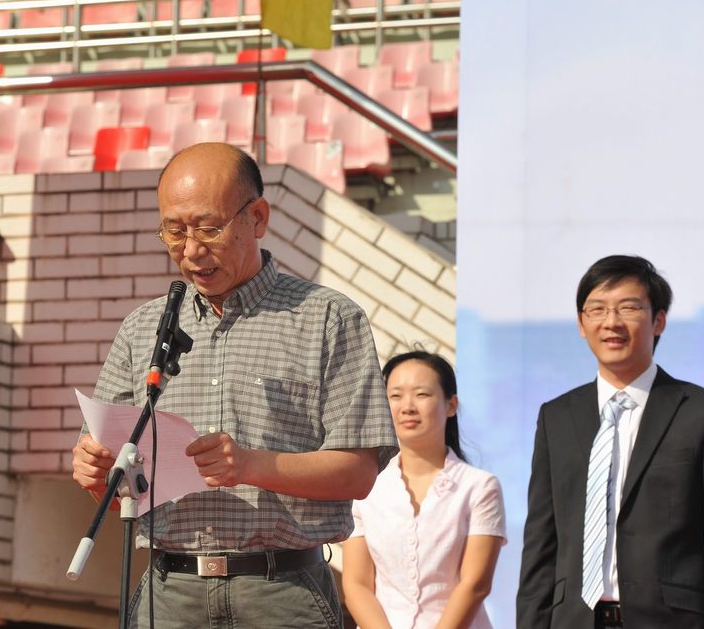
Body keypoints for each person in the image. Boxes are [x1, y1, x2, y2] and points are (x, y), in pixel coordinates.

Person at [71, 142, 397, 628]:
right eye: (174, 231)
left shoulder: (328, 318)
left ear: (257, 218)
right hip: (170, 590)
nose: (191, 250)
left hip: (282, 591)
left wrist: (248, 464)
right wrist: (94, 469)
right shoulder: (144, 328)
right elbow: (116, 487)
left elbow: (358, 471)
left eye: (208, 228)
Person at [517, 255, 704, 628]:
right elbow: (540, 546)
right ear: (581, 323)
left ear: (658, 320)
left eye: (628, 308)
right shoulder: (556, 417)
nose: (611, 322)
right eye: (597, 309)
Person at [342, 351, 506, 628]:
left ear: (451, 405)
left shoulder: (480, 487)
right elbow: (357, 585)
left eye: (422, 394)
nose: (407, 406)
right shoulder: (366, 485)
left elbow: (475, 585)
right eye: (395, 396)